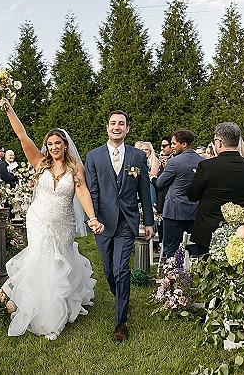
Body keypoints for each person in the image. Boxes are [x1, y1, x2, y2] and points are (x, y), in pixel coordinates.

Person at [0, 97, 102, 341]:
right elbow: (22, 135)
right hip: (38, 220)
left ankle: (63, 304)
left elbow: (83, 191)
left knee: (61, 262)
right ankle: (48, 318)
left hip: (63, 223)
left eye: (58, 143)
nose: (53, 147)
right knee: (44, 263)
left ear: (65, 145)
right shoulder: (39, 162)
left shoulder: (75, 167)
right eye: (50, 143)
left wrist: (93, 218)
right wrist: (9, 109)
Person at [85, 110, 154, 342]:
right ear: (107, 127)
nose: (117, 127)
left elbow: (144, 189)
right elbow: (92, 191)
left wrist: (149, 222)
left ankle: (120, 323)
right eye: (113, 123)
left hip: (127, 221)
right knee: (108, 271)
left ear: (127, 129)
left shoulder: (137, 156)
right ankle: (121, 299)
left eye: (121, 124)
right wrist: (93, 218)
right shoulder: (93, 156)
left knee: (121, 270)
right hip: (103, 223)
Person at [186, 122, 244, 256]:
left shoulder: (206, 166)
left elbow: (192, 195)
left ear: (218, 143)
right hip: (239, 229)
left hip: (208, 229)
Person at [155, 130, 203, 258]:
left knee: (171, 249)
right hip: (195, 211)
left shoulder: (174, 162)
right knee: (194, 248)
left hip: (174, 212)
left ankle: (170, 276)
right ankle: (194, 275)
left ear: (184, 144)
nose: (171, 146)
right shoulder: (202, 161)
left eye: (174, 143)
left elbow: (160, 183)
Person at [141, 141, 159, 208]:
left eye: (146, 149)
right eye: (142, 149)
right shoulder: (140, 160)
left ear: (150, 150)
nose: (144, 151)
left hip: (150, 185)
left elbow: (153, 176)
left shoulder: (154, 160)